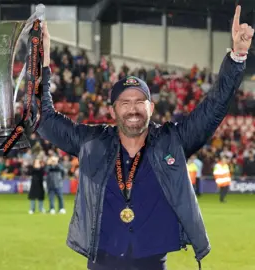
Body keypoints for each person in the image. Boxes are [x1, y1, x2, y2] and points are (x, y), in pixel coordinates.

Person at [36, 6, 252, 270]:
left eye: (140, 101)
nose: (133, 108)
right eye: (124, 103)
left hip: (153, 263)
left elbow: (213, 109)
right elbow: (44, 119)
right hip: (101, 261)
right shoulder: (92, 142)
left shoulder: (172, 140)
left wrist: (238, 56)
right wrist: (41, 59)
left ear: (151, 108)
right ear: (113, 109)